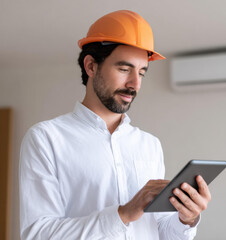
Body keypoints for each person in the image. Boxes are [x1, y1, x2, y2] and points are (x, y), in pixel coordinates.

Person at [19, 10, 211, 240]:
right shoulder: (46, 139)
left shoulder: (149, 145)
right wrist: (122, 214)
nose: (135, 84)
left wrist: (186, 219)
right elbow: (38, 235)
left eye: (141, 73)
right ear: (91, 66)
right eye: (124, 69)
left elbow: (159, 232)